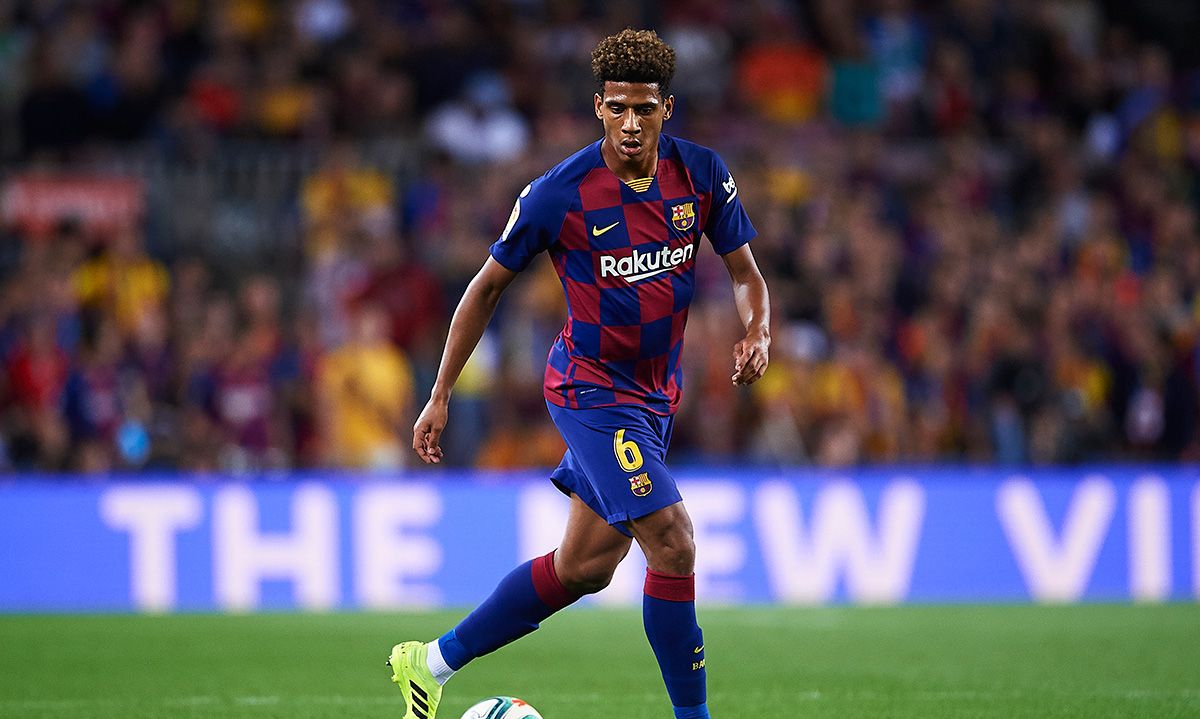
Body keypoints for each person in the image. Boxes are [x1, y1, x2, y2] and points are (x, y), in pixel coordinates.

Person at [390, 29, 770, 719]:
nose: (631, 122)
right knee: (674, 541)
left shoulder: (703, 175)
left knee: (585, 567)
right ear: (599, 106)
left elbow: (747, 275)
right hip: (590, 390)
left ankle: (432, 659)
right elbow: (484, 289)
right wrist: (440, 392)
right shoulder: (557, 194)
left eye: (645, 109)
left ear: (667, 109)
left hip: (655, 396)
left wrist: (758, 328)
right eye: (618, 107)